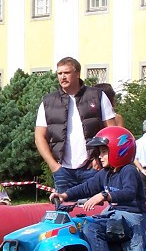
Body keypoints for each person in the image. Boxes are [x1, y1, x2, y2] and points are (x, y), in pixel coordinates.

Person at [50, 126, 146, 251]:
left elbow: (129, 193)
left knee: (93, 228)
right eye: (99, 152)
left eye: (104, 152)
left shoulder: (129, 171)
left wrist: (105, 196)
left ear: (119, 150)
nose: (100, 157)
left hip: (132, 218)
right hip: (114, 216)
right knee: (79, 224)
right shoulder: (107, 173)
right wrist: (64, 195)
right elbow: (87, 187)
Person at [35, 57, 117, 193]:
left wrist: (101, 158)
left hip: (93, 168)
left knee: (95, 210)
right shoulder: (48, 101)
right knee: (65, 211)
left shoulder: (97, 96)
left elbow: (112, 132)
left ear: (77, 74)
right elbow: (39, 137)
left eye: (66, 73)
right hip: (63, 171)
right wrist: (53, 165)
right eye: (59, 73)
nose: (62, 77)